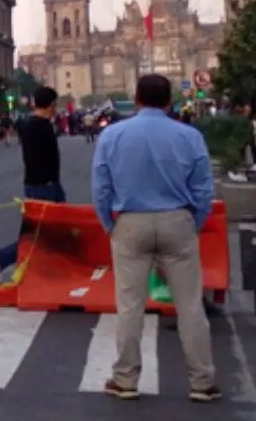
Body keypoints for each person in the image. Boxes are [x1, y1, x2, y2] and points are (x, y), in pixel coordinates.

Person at [92, 74, 220, 403]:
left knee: (130, 307)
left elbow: (101, 188)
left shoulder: (112, 135)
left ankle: (125, 380)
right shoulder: (190, 136)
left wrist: (110, 224)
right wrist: (195, 221)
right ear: (169, 102)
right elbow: (204, 188)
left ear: (135, 100)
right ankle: (202, 381)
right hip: (178, 220)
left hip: (130, 223)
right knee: (190, 306)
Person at [0, 86, 64, 284]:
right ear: (51, 105)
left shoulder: (31, 124)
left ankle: (46, 269)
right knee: (38, 234)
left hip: (42, 184)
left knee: (52, 231)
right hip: (44, 186)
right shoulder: (41, 126)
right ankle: (2, 257)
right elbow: (40, 159)